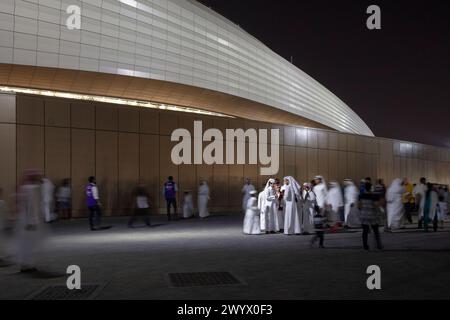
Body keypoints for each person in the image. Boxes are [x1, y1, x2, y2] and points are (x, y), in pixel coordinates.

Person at [16, 170, 47, 272]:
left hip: (23, 219)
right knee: (31, 243)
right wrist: (33, 221)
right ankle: (29, 264)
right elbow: (32, 206)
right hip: (30, 221)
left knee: (24, 243)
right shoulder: (34, 188)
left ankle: (24, 264)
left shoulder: (23, 188)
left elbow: (21, 204)